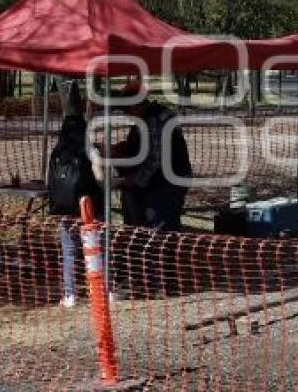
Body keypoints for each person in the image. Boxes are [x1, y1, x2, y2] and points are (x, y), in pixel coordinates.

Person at [47, 80, 104, 307]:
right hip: (89, 207)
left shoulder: (57, 150)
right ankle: (101, 290)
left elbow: (48, 180)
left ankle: (70, 295)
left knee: (69, 252)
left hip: (64, 210)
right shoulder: (89, 147)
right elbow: (99, 176)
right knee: (97, 250)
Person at [114, 80, 191, 232]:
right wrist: (121, 148)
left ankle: (164, 254)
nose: (126, 114)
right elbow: (142, 146)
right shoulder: (144, 118)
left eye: (127, 110)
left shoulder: (155, 120)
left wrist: (134, 179)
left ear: (136, 105)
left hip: (168, 183)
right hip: (159, 181)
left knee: (162, 230)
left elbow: (155, 159)